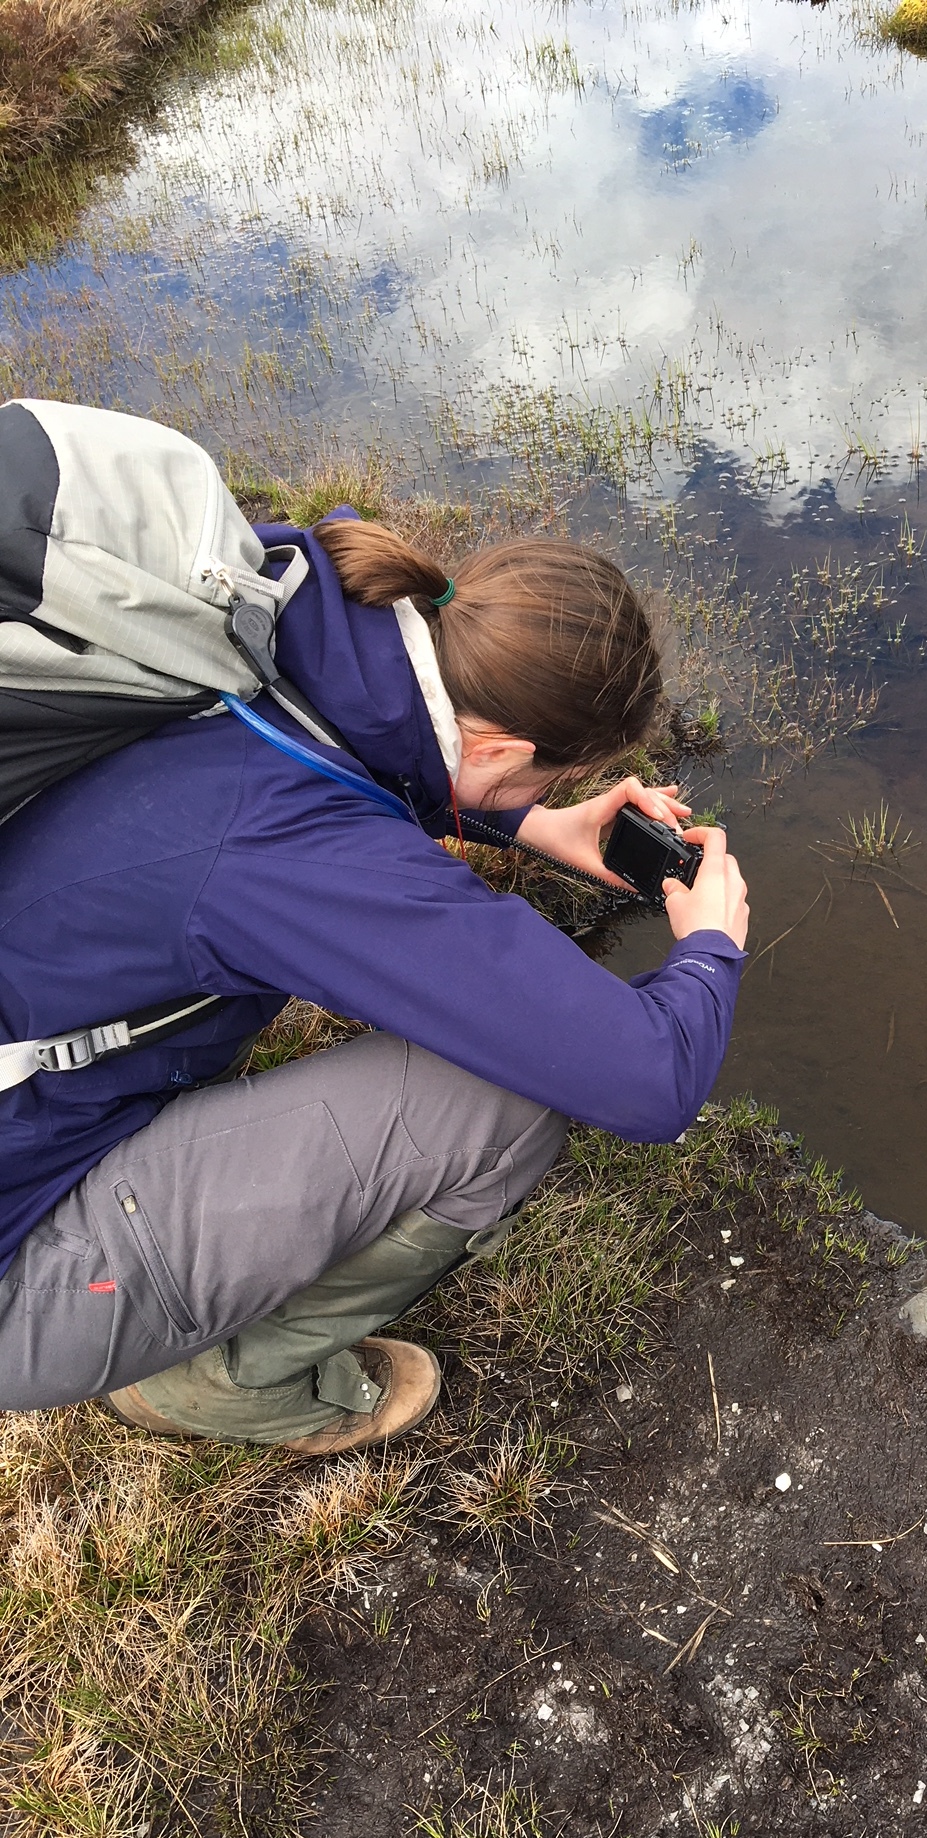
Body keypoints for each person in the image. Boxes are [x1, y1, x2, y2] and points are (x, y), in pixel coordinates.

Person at [0, 510, 748, 1452]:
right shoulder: (286, 850)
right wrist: (711, 947)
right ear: (503, 752)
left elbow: (353, 757)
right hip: (18, 1267)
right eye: (544, 782)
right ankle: (223, 1381)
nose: (543, 797)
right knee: (502, 1101)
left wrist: (528, 824)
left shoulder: (274, 606)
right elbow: (648, 1077)